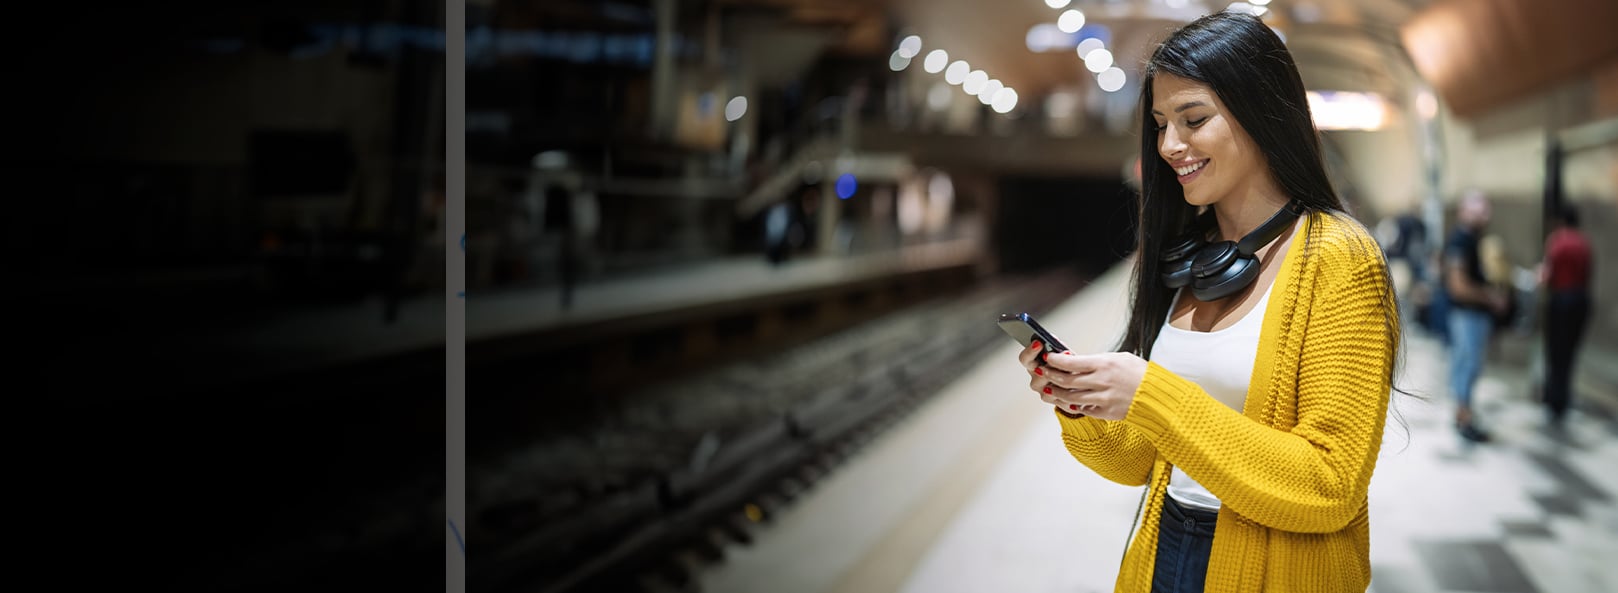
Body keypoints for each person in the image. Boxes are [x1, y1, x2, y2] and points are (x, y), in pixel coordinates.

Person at [1014, 13, 1403, 593]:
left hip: (1277, 569)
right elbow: (1138, 464)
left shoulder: (1340, 258)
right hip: (1167, 548)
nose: (1170, 146)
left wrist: (1151, 393)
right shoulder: (1190, 257)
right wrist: (1082, 402)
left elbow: (1330, 486)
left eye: (1193, 119)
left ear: (1261, 113)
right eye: (1160, 124)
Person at [1442, 190, 1511, 443]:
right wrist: (1490, 298)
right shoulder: (1461, 240)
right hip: (1467, 315)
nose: (1483, 216)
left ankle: (1464, 414)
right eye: (1477, 210)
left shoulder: (1472, 239)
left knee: (1467, 365)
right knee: (1467, 365)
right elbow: (1458, 286)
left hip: (1471, 315)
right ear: (1464, 212)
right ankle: (1464, 417)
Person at [1538, 204, 1593, 428]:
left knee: (1555, 350)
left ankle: (1553, 399)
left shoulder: (1557, 240)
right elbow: (1588, 274)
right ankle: (1563, 397)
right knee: (1570, 351)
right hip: (1580, 299)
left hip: (1561, 299)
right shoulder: (1584, 243)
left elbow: (1548, 275)